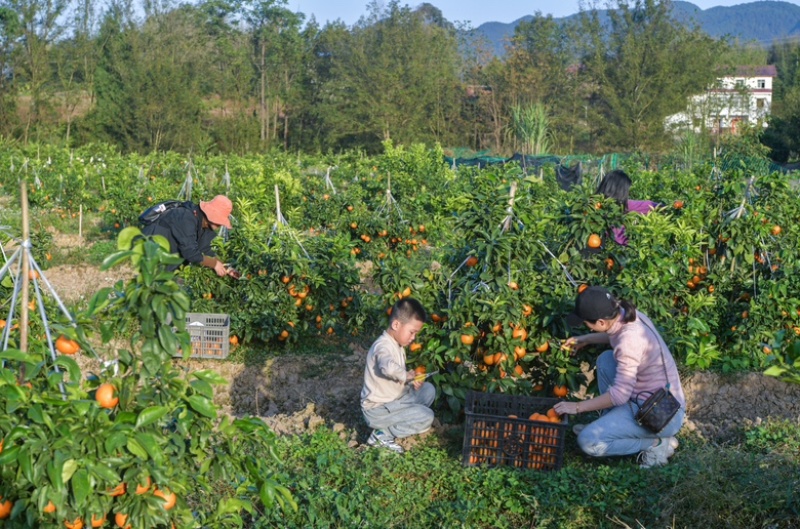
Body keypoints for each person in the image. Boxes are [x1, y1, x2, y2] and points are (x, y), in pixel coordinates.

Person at [553, 286, 685, 468]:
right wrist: (586, 339)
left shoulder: (629, 341)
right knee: (606, 360)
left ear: (601, 322)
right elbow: (613, 336)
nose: (585, 325)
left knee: (589, 441)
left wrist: (577, 407)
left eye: (586, 323)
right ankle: (610, 427)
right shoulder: (626, 315)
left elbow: (618, 396)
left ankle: (657, 444)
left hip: (660, 414)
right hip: (656, 397)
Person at [361, 298, 435, 454]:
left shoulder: (396, 344)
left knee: (428, 390)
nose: (413, 337)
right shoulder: (382, 346)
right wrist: (406, 375)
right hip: (378, 410)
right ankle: (382, 435)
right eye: (412, 332)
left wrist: (409, 382)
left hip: (394, 401)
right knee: (427, 417)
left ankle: (406, 414)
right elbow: (387, 367)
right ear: (396, 325)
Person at [142, 195, 238, 277]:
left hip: (161, 267)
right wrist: (214, 264)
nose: (220, 224)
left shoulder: (205, 227)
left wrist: (226, 267)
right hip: (145, 257)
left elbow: (206, 250)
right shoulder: (186, 217)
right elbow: (190, 252)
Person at [596, 169, 659, 246]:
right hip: (612, 252)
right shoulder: (596, 208)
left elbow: (648, 205)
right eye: (626, 191)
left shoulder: (593, 205)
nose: (627, 194)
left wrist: (671, 206)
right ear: (619, 192)